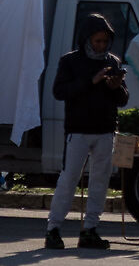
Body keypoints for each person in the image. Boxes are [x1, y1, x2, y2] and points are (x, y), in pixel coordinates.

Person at [44, 16, 129, 250]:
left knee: (100, 182)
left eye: (105, 41)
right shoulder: (70, 61)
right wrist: (91, 81)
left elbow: (122, 99)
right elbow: (60, 92)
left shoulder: (112, 61)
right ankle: (53, 228)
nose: (102, 45)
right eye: (98, 41)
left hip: (105, 130)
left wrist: (115, 87)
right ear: (87, 39)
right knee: (69, 179)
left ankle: (90, 228)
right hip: (78, 130)